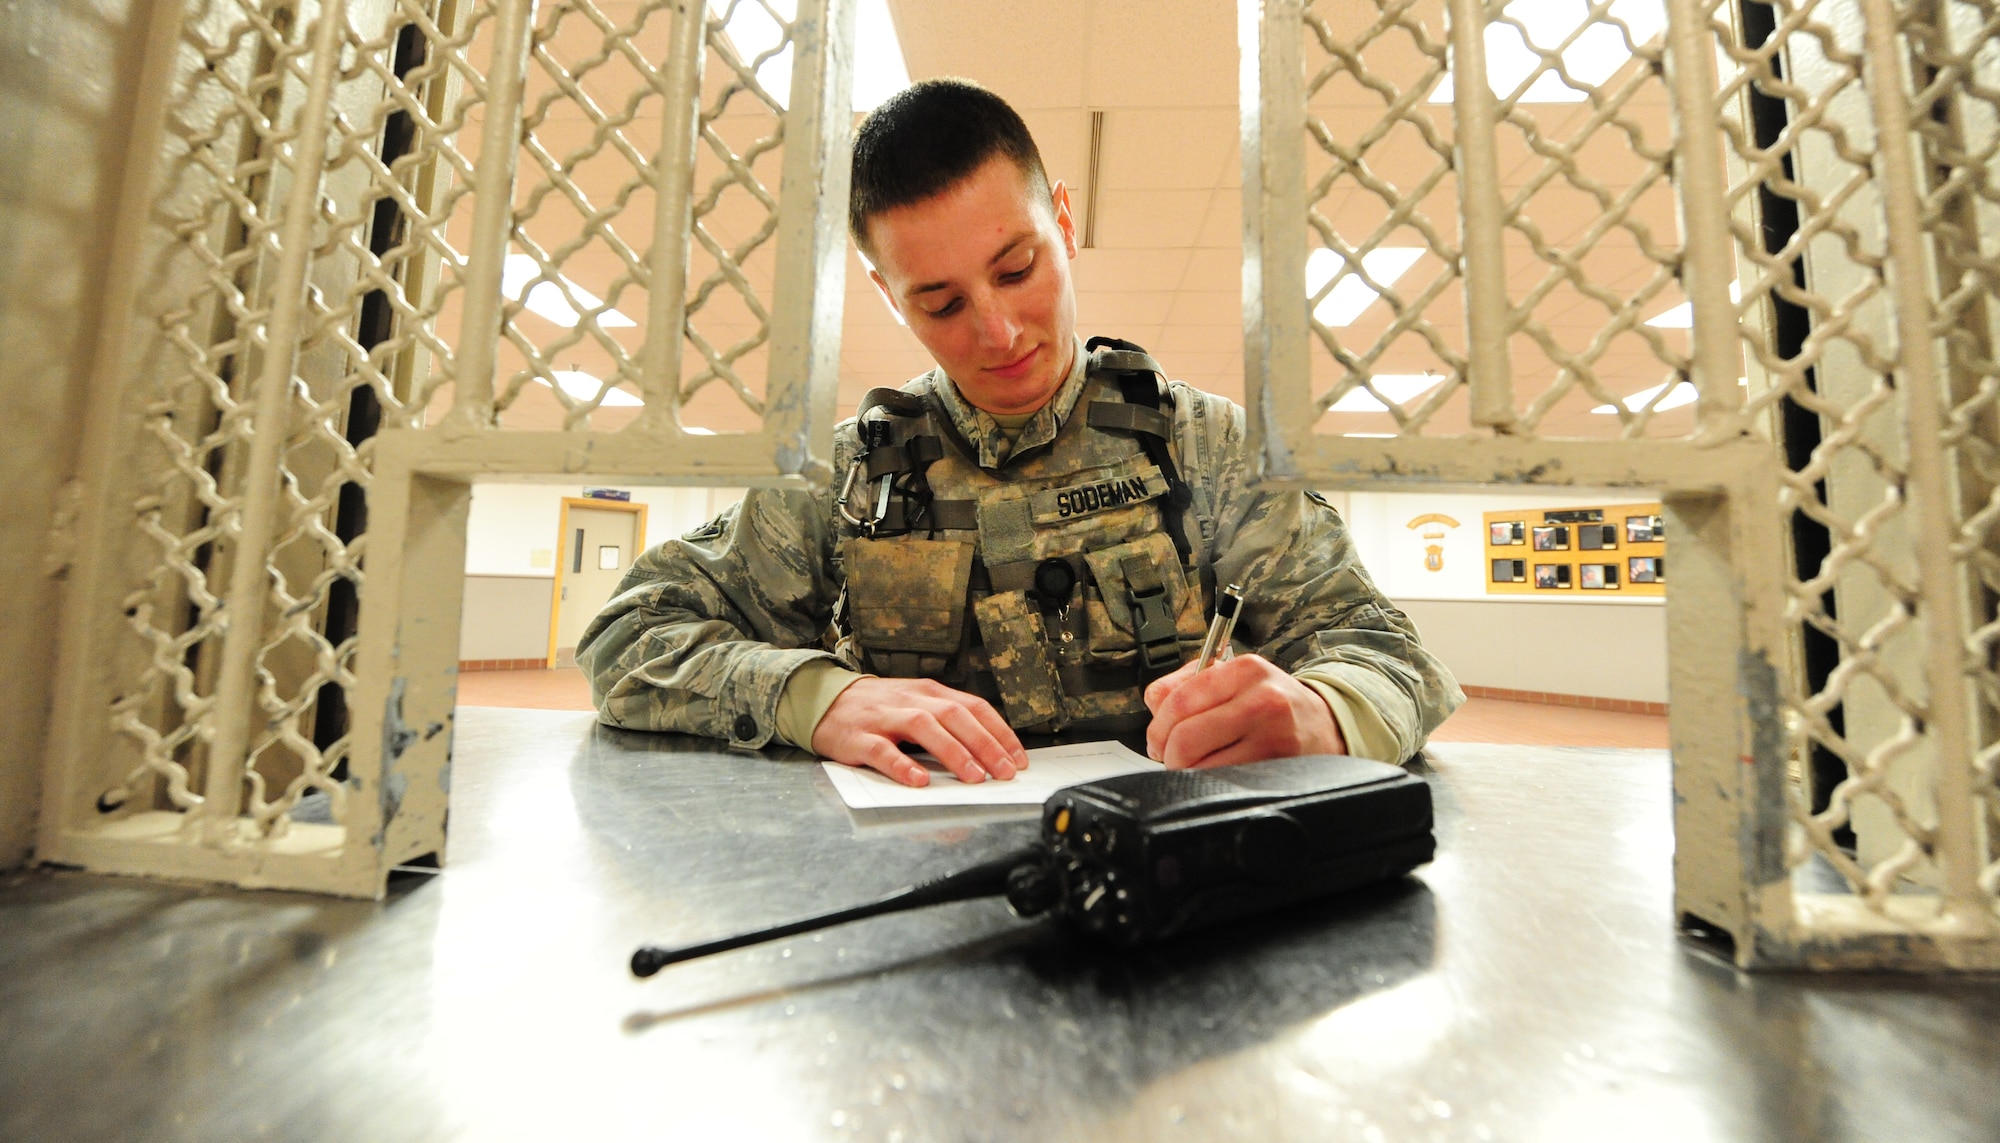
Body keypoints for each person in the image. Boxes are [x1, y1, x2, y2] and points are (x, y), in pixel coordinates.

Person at [580, 79, 1462, 788]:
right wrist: (815, 696)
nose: (996, 332)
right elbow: (627, 636)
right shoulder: (843, 475)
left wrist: (1325, 711)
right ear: (889, 295)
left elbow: (1386, 651)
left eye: (1016, 268)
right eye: (941, 301)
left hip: (1168, 880)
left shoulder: (1203, 446)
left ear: (1065, 222)